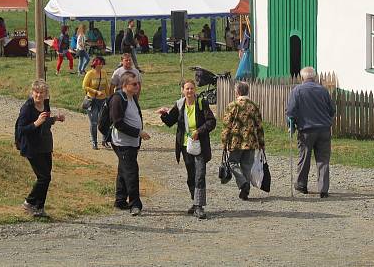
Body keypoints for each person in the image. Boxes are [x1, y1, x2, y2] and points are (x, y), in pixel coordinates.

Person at [157, 80, 216, 219]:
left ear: (195, 90)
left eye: (191, 88)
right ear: (183, 90)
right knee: (191, 176)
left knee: (200, 174)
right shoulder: (179, 104)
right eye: (187, 89)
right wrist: (163, 114)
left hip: (200, 145)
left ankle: (199, 206)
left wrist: (199, 131)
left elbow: (211, 122)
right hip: (185, 146)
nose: (189, 91)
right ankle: (195, 202)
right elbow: (170, 121)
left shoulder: (202, 103)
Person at [15, 80, 66, 217]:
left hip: (45, 145)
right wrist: (36, 123)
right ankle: (28, 203)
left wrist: (56, 118)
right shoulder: (27, 108)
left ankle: (39, 208)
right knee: (44, 177)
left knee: (46, 178)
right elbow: (21, 130)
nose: (38, 95)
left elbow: (45, 122)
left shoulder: (46, 103)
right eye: (36, 92)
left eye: (41, 92)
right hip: (32, 147)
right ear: (32, 93)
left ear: (46, 94)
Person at [286, 66, 336, 198]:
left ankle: (302, 185)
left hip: (306, 130)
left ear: (302, 77)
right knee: (323, 160)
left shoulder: (297, 90)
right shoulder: (323, 90)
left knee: (304, 158)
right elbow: (332, 110)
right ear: (314, 77)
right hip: (324, 129)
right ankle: (323, 189)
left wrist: (291, 125)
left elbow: (291, 111)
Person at [110, 71, 150, 215]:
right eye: (134, 84)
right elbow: (118, 123)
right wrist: (138, 132)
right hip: (122, 143)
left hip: (132, 142)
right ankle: (135, 204)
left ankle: (120, 200)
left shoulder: (131, 98)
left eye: (138, 83)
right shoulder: (117, 99)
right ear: (125, 85)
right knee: (132, 172)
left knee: (123, 170)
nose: (137, 86)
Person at [221, 80, 264, 200]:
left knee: (232, 162)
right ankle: (245, 191)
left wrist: (224, 141)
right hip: (251, 141)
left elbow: (227, 125)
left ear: (238, 91)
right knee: (246, 166)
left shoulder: (232, 105)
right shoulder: (254, 106)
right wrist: (261, 143)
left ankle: (243, 183)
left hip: (236, 140)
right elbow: (259, 126)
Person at [82, 56, 111, 149]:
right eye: (100, 63)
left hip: (103, 100)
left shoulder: (104, 73)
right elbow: (84, 86)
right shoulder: (90, 74)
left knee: (104, 121)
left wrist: (108, 97)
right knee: (94, 122)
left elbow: (106, 85)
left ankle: (105, 140)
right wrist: (95, 92)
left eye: (102, 63)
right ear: (95, 64)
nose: (101, 65)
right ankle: (94, 142)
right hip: (92, 101)